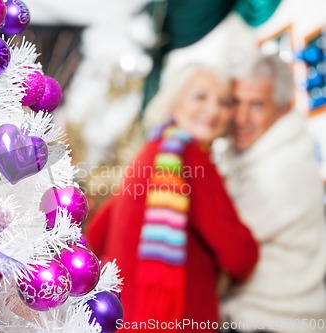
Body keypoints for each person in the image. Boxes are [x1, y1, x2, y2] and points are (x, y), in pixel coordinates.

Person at [85, 64, 259, 332]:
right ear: (174, 99)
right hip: (174, 320)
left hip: (122, 319)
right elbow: (240, 257)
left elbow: (95, 235)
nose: (213, 110)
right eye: (200, 96)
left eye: (224, 102)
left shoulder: (151, 151)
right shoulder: (189, 157)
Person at [220, 55, 326, 333]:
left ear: (283, 109)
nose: (242, 117)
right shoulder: (246, 153)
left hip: (277, 321)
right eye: (237, 102)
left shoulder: (283, 168)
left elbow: (228, 250)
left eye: (256, 105)